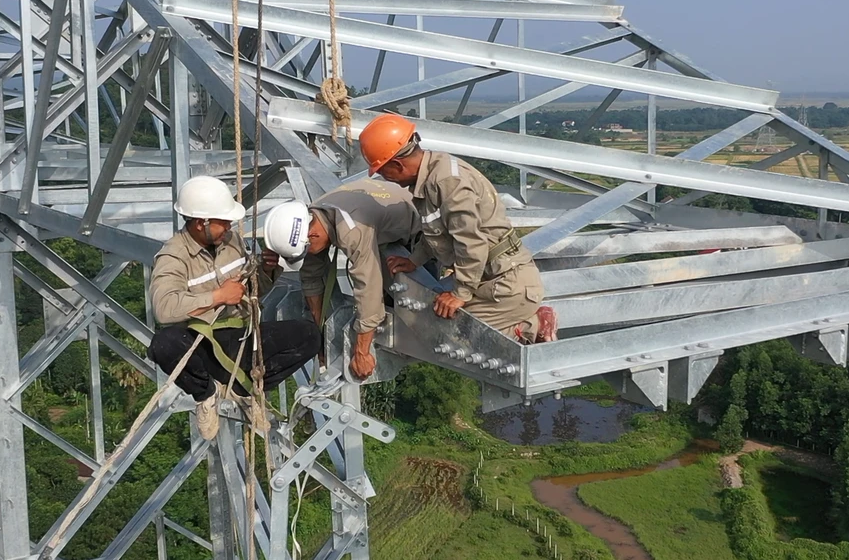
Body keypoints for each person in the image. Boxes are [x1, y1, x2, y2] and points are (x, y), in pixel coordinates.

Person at [357, 113, 558, 344]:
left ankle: (532, 325)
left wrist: (459, 294)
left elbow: (471, 242)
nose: (385, 178)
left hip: (507, 285)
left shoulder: (446, 182)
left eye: (383, 171)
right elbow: (438, 231)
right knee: (432, 318)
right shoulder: (432, 174)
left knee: (447, 335)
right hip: (489, 279)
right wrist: (415, 260)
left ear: (397, 164)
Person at [147, 176, 321, 440]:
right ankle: (206, 394)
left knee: (309, 336)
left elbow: (251, 292)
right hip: (204, 344)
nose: (228, 226)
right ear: (200, 223)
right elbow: (164, 308)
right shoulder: (173, 257)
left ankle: (245, 389)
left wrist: (266, 269)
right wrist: (217, 296)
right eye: (222, 221)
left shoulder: (232, 242)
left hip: (242, 337)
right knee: (163, 345)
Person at [263, 178, 420, 380]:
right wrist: (319, 333)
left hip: (417, 229)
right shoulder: (313, 216)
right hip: (382, 208)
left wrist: (361, 352)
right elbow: (312, 278)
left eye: (306, 250)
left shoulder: (351, 230)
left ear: (311, 235)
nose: (308, 254)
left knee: (400, 311)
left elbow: (369, 287)